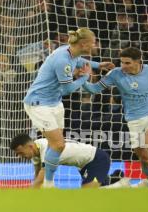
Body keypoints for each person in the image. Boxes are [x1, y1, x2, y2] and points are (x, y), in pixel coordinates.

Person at [83, 47, 148, 187]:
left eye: (127, 63)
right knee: (143, 157)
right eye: (122, 62)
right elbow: (94, 89)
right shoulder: (115, 74)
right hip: (133, 119)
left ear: (138, 61)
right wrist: (83, 78)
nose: (123, 66)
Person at [23, 27, 114, 188]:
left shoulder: (69, 52)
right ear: (84, 44)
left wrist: (98, 65)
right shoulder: (62, 60)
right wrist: (85, 76)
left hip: (54, 103)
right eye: (93, 43)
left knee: (57, 145)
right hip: (39, 104)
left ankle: (47, 182)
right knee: (57, 144)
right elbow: (67, 89)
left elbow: (80, 62)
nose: (94, 46)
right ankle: (48, 184)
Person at [10, 133, 111, 188]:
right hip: (85, 167)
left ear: (30, 146)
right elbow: (37, 174)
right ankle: (113, 182)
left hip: (97, 160)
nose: (19, 156)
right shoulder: (36, 152)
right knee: (97, 195)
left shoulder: (46, 147)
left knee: (87, 195)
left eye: (21, 153)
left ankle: (119, 184)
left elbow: (41, 177)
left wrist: (29, 198)